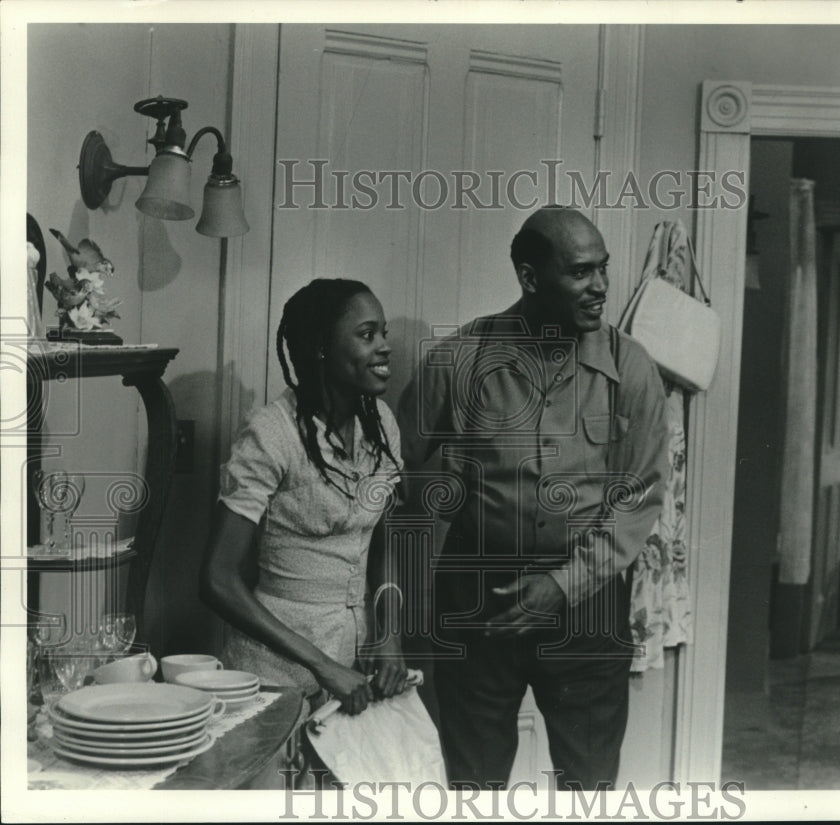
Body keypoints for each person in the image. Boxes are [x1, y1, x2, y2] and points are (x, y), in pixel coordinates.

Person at [398, 207, 670, 789]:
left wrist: (562, 585)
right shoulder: (460, 360)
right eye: (579, 272)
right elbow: (396, 469)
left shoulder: (632, 367)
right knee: (474, 782)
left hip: (588, 603)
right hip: (477, 597)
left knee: (589, 785)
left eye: (602, 268)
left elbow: (639, 500)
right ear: (529, 277)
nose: (599, 286)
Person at [201, 278, 408, 714]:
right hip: (274, 676)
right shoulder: (271, 435)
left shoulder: (382, 424)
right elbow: (216, 580)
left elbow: (383, 535)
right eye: (367, 335)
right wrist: (321, 665)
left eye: (383, 333)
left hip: (352, 669)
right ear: (322, 347)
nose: (385, 347)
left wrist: (388, 633)